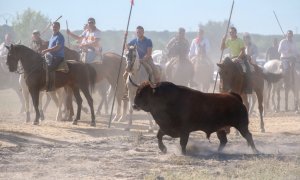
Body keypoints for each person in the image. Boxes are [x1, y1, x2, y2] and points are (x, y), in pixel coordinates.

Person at [221, 26, 252, 93]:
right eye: (230, 32)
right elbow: (222, 48)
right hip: (232, 58)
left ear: (235, 33)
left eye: (232, 32)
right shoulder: (229, 40)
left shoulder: (239, 40)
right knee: (222, 68)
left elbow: (243, 51)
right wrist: (223, 40)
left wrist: (237, 58)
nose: (231, 33)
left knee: (247, 69)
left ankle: (248, 87)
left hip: (240, 58)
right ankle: (223, 85)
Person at [41, 22, 65, 91]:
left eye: (56, 27)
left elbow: (57, 47)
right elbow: (51, 43)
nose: (54, 28)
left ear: (59, 28)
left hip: (58, 56)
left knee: (49, 68)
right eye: (53, 27)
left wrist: (46, 50)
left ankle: (51, 85)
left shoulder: (60, 36)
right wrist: (45, 42)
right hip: (50, 55)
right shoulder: (52, 36)